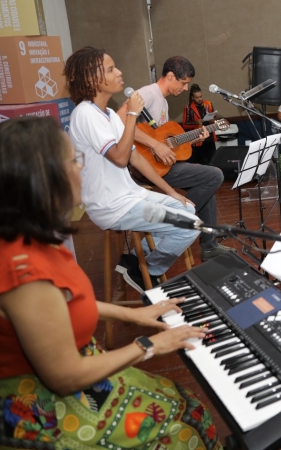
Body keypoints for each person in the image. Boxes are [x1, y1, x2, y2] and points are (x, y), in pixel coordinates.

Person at [0, 117, 224, 450]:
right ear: (42, 179)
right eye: (74, 160)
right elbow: (65, 377)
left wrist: (135, 315)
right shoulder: (20, 271)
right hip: (38, 409)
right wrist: (150, 345)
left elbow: (65, 303)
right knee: (183, 430)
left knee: (186, 407)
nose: (82, 168)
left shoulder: (29, 234)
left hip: (73, 371)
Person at [66, 48, 203, 292]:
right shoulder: (85, 114)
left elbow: (136, 158)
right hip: (112, 205)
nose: (119, 73)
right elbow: (120, 158)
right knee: (190, 225)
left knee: (187, 208)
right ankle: (145, 269)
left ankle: (136, 260)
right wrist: (131, 114)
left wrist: (171, 192)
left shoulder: (108, 113)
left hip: (131, 195)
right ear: (91, 79)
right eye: (111, 69)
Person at [125, 56, 231, 264]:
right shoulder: (148, 94)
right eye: (183, 83)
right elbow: (122, 125)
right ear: (171, 76)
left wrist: (193, 139)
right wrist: (155, 145)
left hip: (161, 165)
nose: (185, 89)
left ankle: (209, 245)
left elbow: (166, 143)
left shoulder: (163, 102)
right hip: (143, 167)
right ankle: (169, 225)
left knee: (207, 181)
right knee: (214, 175)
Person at [181, 83, 217, 166]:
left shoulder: (208, 104)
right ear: (192, 97)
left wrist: (213, 120)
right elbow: (185, 124)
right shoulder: (188, 108)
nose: (200, 99)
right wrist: (196, 123)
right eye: (197, 97)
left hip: (210, 138)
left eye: (201, 96)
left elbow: (214, 116)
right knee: (202, 163)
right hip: (198, 139)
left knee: (213, 161)